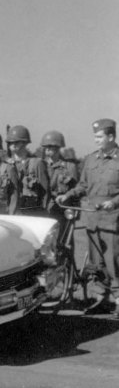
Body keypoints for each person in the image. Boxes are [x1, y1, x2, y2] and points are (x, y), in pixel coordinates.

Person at [56, 119, 119, 310]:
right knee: (95, 262)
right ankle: (101, 297)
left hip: (111, 218)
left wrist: (114, 202)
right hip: (91, 216)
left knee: (112, 261)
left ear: (111, 136)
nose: (96, 140)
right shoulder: (91, 159)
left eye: (99, 136)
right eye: (95, 136)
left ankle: (118, 299)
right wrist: (66, 195)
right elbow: (83, 185)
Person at [6, 125, 50, 216]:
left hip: (31, 213)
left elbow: (45, 193)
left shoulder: (36, 163)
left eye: (17, 142)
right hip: (10, 213)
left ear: (25, 143)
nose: (13, 144)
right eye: (10, 142)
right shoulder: (6, 165)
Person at [41, 130, 78, 228]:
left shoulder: (70, 167)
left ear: (58, 148)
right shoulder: (41, 165)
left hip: (62, 210)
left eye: (50, 147)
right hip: (44, 209)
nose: (47, 150)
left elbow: (76, 191)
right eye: (46, 147)